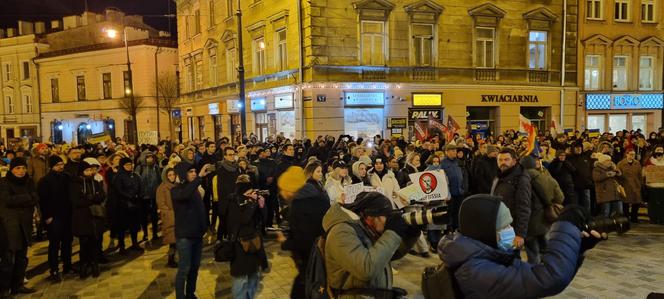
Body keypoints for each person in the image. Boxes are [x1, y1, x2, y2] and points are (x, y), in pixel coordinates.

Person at [437, 194, 606, 299]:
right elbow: (548, 279)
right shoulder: (475, 270)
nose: (510, 230)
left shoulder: (486, 254)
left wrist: (576, 247)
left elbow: (531, 275)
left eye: (510, 224)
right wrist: (566, 226)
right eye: (504, 227)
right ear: (484, 231)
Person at [322, 192, 418, 299]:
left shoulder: (366, 229)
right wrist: (392, 233)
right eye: (386, 217)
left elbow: (386, 256)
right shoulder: (341, 232)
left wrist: (410, 235)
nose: (388, 222)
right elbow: (366, 269)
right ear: (371, 218)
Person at [278, 166, 330, 299]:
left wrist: (285, 243)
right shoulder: (319, 195)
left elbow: (304, 241)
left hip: (311, 262)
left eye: (283, 189)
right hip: (325, 254)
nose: (282, 193)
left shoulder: (299, 206)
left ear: (290, 190)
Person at [171, 162, 211, 299]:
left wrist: (204, 228)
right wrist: (199, 177)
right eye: (191, 171)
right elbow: (184, 195)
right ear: (183, 174)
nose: (194, 173)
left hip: (197, 234)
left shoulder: (194, 189)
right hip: (184, 236)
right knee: (184, 268)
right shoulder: (176, 190)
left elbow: (200, 209)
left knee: (194, 268)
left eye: (195, 171)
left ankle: (190, 294)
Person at [0, 157, 38, 296]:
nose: (21, 171)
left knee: (22, 258)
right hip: (9, 226)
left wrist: (23, 198)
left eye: (23, 168)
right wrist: (26, 198)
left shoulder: (29, 182)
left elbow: (35, 197)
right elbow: (7, 200)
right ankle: (4, 288)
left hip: (25, 224)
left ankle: (18, 284)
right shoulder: (4, 182)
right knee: (8, 259)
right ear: (11, 169)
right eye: (18, 168)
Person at [228, 175, 268, 299]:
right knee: (240, 281)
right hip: (240, 246)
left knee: (253, 277)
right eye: (249, 193)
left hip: (254, 245)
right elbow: (244, 219)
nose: (252, 195)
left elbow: (263, 221)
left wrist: (261, 206)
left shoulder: (251, 202)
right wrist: (251, 203)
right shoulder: (234, 203)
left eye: (252, 192)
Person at [519, 155, 564, 263]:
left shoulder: (520, 180)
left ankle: (535, 274)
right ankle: (549, 267)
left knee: (532, 251)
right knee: (545, 243)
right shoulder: (548, 178)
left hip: (529, 219)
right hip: (546, 217)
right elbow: (560, 197)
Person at [37, 155, 73, 281]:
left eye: (62, 164)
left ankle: (67, 265)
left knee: (67, 242)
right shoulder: (45, 181)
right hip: (54, 217)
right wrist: (47, 217)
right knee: (54, 244)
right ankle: (54, 269)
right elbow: (43, 201)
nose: (61, 166)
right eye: (58, 165)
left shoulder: (66, 177)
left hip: (67, 215)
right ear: (52, 166)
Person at [70, 161, 107, 279]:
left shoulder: (95, 182)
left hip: (95, 217)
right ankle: (84, 265)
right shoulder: (76, 184)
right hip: (82, 218)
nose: (89, 172)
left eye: (90, 170)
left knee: (95, 242)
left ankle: (94, 263)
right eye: (87, 171)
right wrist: (91, 199)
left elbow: (102, 195)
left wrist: (90, 198)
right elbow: (76, 201)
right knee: (84, 243)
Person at [491, 148, 532, 251]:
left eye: (506, 159)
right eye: (500, 160)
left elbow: (524, 207)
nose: (503, 163)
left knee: (512, 259)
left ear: (514, 161)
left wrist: (520, 234)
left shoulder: (520, 179)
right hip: (499, 225)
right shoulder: (499, 176)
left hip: (512, 229)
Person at [112, 157, 143, 254]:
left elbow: (140, 186)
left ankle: (135, 243)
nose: (130, 166)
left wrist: (138, 195)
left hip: (135, 203)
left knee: (134, 225)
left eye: (131, 164)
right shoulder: (118, 176)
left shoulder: (135, 175)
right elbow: (119, 190)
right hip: (123, 205)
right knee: (122, 227)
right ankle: (122, 246)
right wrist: (130, 196)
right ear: (122, 166)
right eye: (127, 165)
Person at [135, 152, 162, 242]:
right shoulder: (140, 168)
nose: (150, 159)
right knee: (144, 217)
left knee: (154, 216)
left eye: (151, 157)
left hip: (154, 196)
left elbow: (159, 180)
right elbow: (137, 181)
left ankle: (155, 233)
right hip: (144, 197)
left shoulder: (156, 167)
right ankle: (145, 234)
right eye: (148, 157)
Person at [214, 147, 239, 240]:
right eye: (230, 154)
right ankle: (219, 241)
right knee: (223, 222)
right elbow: (221, 187)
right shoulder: (221, 168)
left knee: (233, 223)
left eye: (233, 154)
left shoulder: (236, 167)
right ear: (225, 156)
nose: (232, 156)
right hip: (225, 200)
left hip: (235, 199)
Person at [156, 168, 178, 268]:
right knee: (172, 241)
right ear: (166, 176)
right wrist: (171, 214)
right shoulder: (162, 188)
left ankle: (174, 258)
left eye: (173, 174)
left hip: (178, 216)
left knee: (177, 239)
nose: (172, 177)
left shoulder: (177, 186)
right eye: (169, 175)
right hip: (170, 217)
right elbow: (161, 204)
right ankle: (171, 260)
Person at [440, 144, 465, 231]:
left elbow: (464, 175)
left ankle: (457, 228)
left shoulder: (458, 162)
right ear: (447, 152)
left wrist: (464, 187)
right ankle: (449, 229)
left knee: (458, 212)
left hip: (459, 191)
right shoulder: (442, 163)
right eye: (453, 150)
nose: (455, 152)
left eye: (455, 150)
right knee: (450, 212)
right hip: (450, 193)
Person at [617, 149, 643, 223]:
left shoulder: (637, 163)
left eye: (633, 154)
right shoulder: (621, 163)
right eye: (631, 154)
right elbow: (618, 175)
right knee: (625, 203)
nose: (632, 156)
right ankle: (626, 218)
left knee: (636, 202)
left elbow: (640, 175)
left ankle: (634, 218)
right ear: (627, 154)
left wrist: (640, 184)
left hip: (636, 185)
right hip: (625, 185)